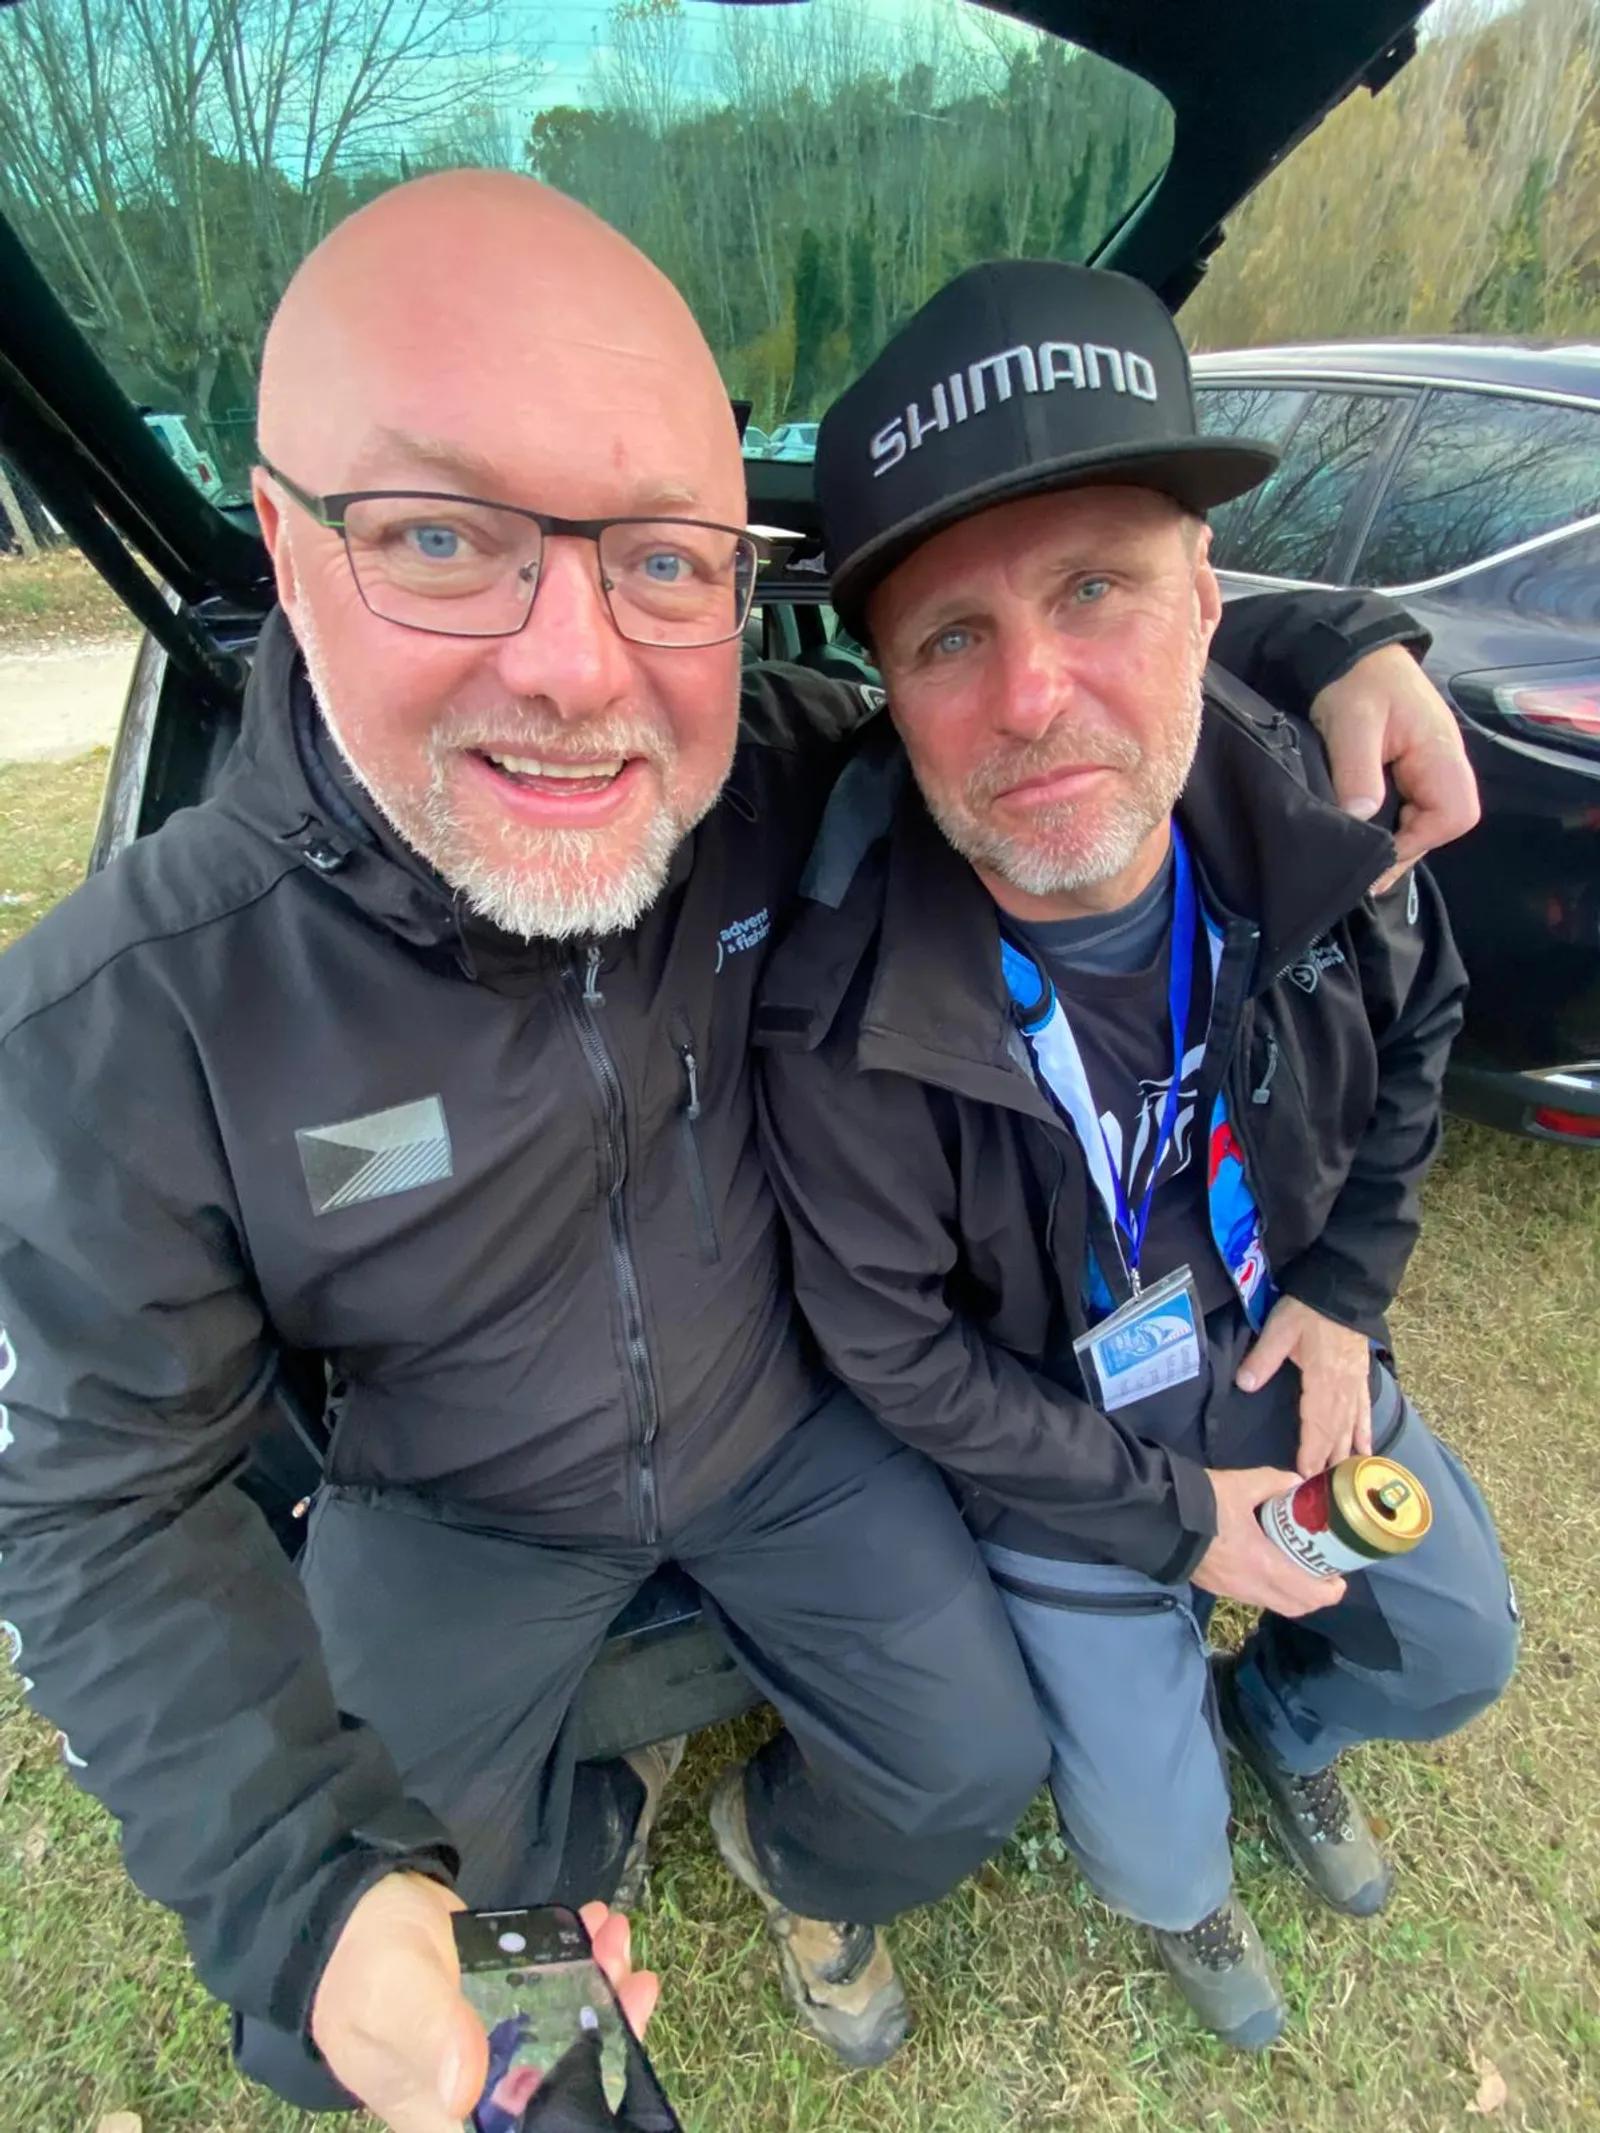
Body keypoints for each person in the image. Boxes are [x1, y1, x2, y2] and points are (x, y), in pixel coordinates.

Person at [0, 172, 1478, 2127]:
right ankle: (567, 1930)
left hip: (784, 1430)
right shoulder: (130, 1011)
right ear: (288, 543)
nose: (574, 666)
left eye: (660, 562)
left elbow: (1045, 677)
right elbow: (95, 1500)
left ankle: (779, 1859)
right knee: (356, 2003)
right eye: (442, 537)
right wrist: (311, 1891)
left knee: (961, 1769)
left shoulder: (779, 772)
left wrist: (1343, 640)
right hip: (453, 1504)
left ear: (734, 585)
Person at [756, 259, 1519, 2051]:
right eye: (951, 637)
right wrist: (1180, 1524)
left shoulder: (1320, 816)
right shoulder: (839, 999)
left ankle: (1286, 1723)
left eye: (1094, 587)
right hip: (1068, 1445)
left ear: (1207, 602)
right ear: (888, 689)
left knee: (1458, 1645)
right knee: (1154, 1841)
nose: (1033, 694)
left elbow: (1422, 1023)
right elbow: (893, 1350)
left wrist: (1343, 1292)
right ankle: (1188, 1888)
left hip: (1275, 1350)